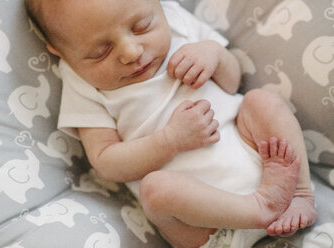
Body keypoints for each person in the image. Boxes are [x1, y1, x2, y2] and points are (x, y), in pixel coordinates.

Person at [25, 0, 317, 247]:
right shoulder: (80, 81)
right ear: (61, 51)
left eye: (142, 26)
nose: (131, 52)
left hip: (263, 162)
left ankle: (301, 194)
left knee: (261, 102)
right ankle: (259, 209)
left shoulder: (176, 20)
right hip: (205, 225)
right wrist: (170, 140)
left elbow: (231, 85)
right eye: (100, 52)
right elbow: (105, 162)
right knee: (157, 190)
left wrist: (213, 54)